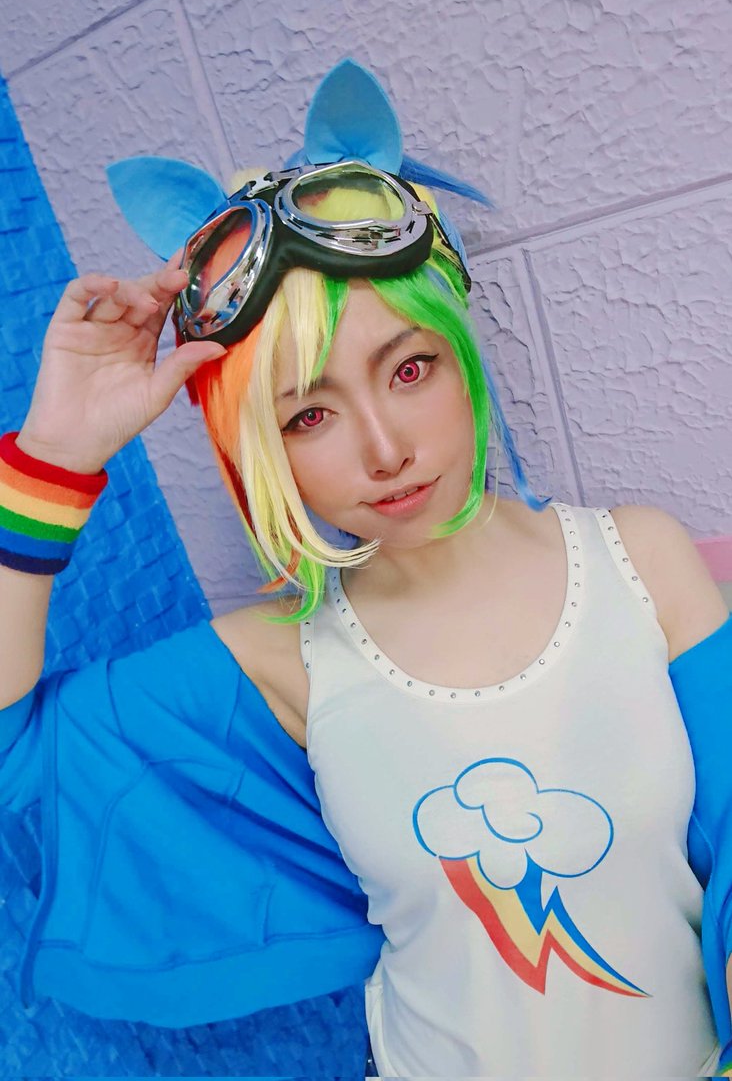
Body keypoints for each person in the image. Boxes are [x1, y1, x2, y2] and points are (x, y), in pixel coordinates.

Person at [1, 59, 731, 1078]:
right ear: (264, 450)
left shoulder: (641, 560)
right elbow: (18, 765)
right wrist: (52, 457)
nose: (385, 449)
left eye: (410, 369)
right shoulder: (279, 662)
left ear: (462, 353)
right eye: (309, 415)